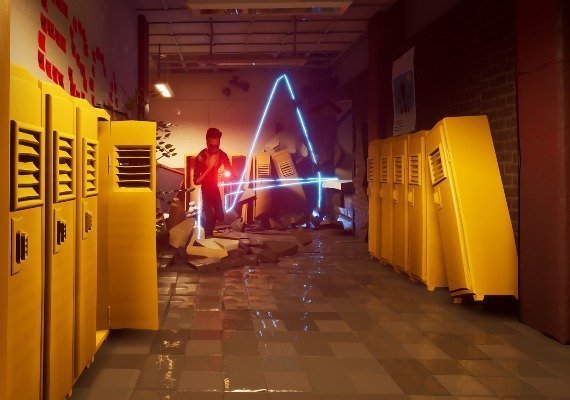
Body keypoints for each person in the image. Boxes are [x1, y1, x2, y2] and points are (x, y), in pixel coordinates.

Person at [193, 127, 232, 238]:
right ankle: (208, 234)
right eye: (211, 146)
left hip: (214, 187)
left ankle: (210, 229)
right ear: (206, 143)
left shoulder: (222, 154)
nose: (214, 149)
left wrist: (228, 176)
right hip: (205, 188)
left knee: (220, 215)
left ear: (219, 143)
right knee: (209, 216)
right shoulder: (201, 157)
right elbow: (196, 181)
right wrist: (209, 167)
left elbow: (230, 169)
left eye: (217, 146)